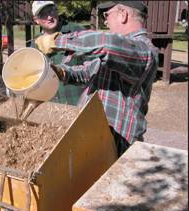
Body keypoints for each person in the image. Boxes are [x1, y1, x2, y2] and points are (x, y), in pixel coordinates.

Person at [35, 1, 159, 156]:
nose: (105, 21)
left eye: (107, 15)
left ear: (123, 15)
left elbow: (106, 43)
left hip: (116, 144)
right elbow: (87, 72)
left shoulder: (144, 50)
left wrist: (57, 41)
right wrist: (59, 71)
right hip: (96, 137)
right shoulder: (118, 52)